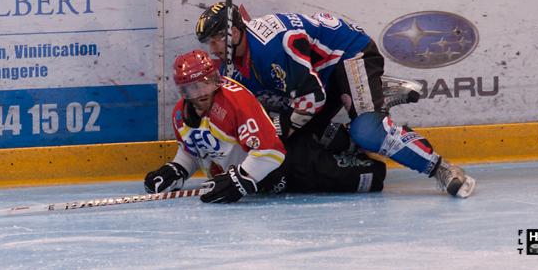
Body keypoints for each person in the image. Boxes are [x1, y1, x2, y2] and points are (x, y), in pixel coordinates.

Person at [195, 2, 477, 198]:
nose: (213, 48)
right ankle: (366, 99)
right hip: (318, 73)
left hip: (348, 55)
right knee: (295, 129)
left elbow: (312, 98)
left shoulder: (272, 46)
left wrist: (284, 128)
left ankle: (439, 167)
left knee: (366, 130)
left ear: (231, 33)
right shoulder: (231, 66)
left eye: (215, 41)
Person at [144, 49, 386, 203]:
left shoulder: (232, 101)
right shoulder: (181, 114)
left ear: (215, 79)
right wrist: (176, 169)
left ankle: (350, 136)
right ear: (183, 92)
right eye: (193, 88)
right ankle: (336, 139)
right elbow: (195, 150)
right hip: (266, 161)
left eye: (206, 83)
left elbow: (272, 150)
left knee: (373, 176)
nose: (202, 93)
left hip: (287, 160)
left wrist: (239, 179)